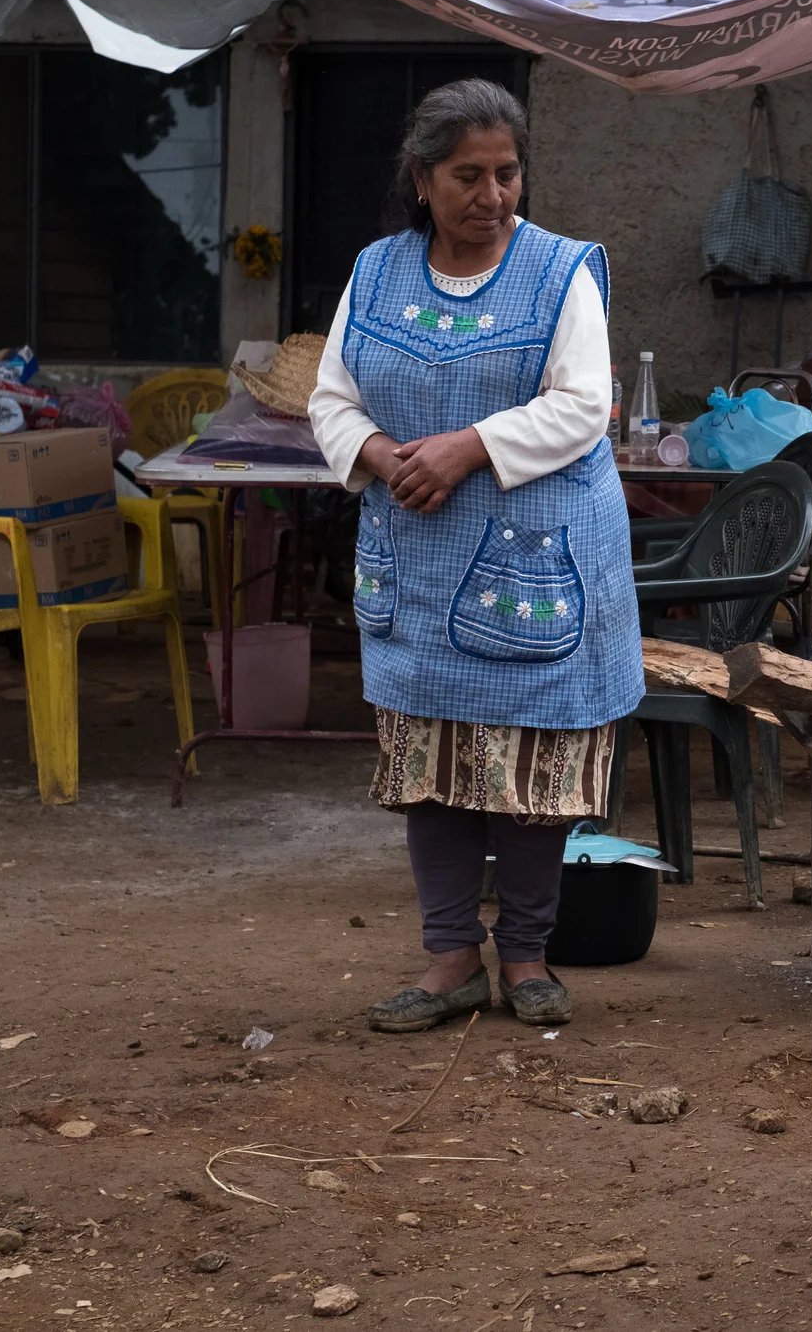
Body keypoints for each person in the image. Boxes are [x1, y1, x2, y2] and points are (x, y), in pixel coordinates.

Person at [309, 79, 641, 1031]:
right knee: (434, 765)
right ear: (422, 179)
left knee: (528, 770)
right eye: (467, 175)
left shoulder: (560, 272)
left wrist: (467, 447)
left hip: (533, 562)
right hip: (419, 561)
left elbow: (584, 406)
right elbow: (332, 400)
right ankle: (450, 957)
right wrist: (377, 454)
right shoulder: (375, 274)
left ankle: (528, 957)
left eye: (507, 173)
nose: (492, 195)